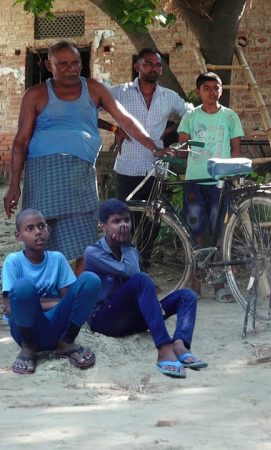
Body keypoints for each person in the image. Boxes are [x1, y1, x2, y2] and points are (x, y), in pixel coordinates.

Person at [3, 41, 163, 274]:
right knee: (39, 239)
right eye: (63, 64)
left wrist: (153, 146)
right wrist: (14, 184)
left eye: (76, 62)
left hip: (80, 174)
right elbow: (20, 142)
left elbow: (124, 118)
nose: (71, 68)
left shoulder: (94, 88)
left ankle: (81, 299)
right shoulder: (36, 94)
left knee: (84, 243)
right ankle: (47, 298)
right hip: (43, 175)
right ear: (49, 65)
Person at [84, 199, 205, 379]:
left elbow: (140, 286)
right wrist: (127, 244)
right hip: (105, 321)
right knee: (141, 279)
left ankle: (180, 345)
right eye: (116, 221)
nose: (123, 225)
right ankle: (164, 349)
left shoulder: (130, 251)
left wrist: (154, 305)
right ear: (103, 226)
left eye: (126, 220)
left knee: (187, 295)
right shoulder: (93, 252)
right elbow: (133, 274)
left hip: (132, 318)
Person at [100, 48, 193, 271]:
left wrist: (173, 130)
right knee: (124, 222)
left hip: (156, 169)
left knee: (154, 222)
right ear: (137, 66)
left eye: (158, 65)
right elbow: (88, 109)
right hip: (127, 167)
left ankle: (143, 268)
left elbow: (190, 113)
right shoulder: (119, 93)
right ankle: (123, 268)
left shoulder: (168, 96)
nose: (155, 69)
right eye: (149, 64)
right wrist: (113, 127)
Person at [2, 208, 100, 375]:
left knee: (91, 280)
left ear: (49, 230)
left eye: (41, 226)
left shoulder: (57, 259)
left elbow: (70, 301)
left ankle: (67, 342)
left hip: (58, 330)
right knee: (23, 286)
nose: (37, 232)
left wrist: (36, 304)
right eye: (30, 228)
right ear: (18, 236)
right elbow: (11, 308)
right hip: (26, 331)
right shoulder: (13, 261)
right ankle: (28, 349)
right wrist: (53, 302)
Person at [177, 72, 244, 300]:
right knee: (196, 233)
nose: (212, 92)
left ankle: (219, 285)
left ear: (221, 90)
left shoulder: (230, 117)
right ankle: (195, 282)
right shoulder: (190, 117)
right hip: (195, 181)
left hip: (219, 182)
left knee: (219, 233)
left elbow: (236, 149)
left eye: (216, 88)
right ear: (198, 92)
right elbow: (183, 146)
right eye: (207, 88)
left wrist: (232, 175)